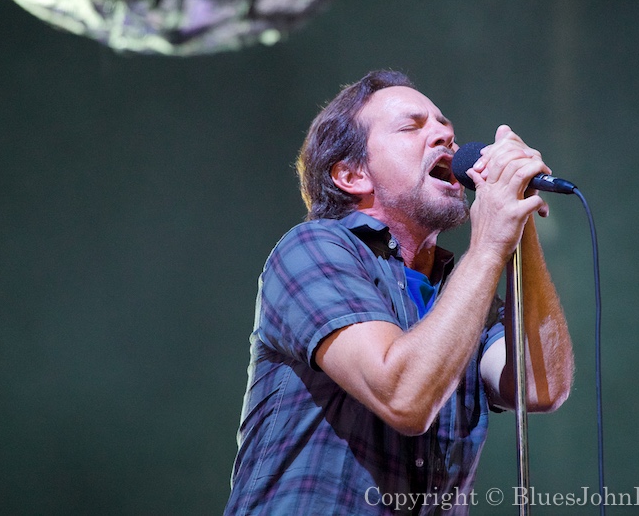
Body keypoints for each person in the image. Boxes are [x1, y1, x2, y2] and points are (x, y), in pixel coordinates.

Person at [224, 69, 574, 515]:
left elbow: (540, 388)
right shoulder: (313, 250)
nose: (445, 135)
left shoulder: (461, 291)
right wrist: (488, 245)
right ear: (352, 176)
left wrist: (520, 223)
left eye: (444, 124)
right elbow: (403, 396)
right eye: (412, 127)